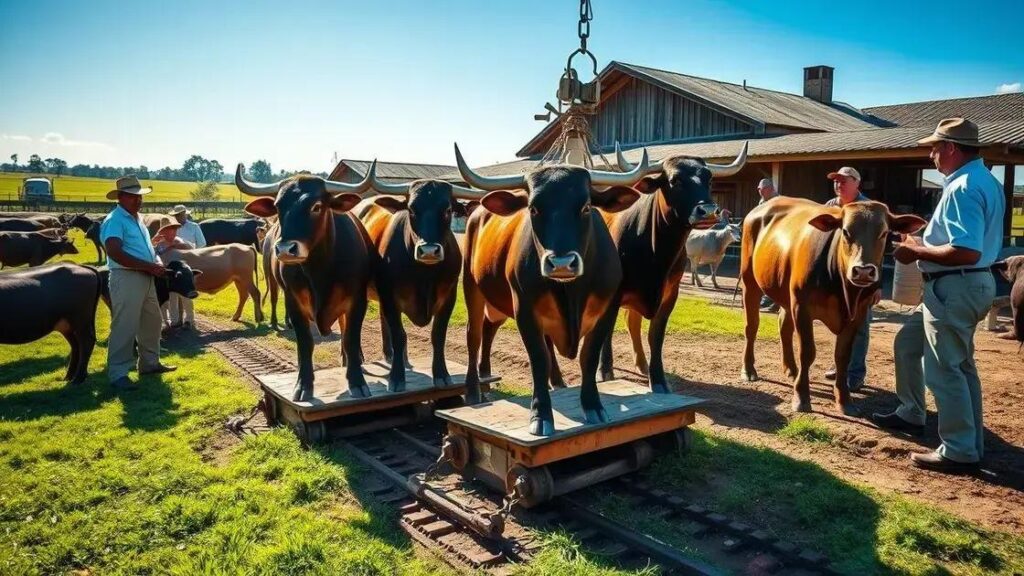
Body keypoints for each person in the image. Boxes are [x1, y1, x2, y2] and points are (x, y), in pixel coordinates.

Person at [873, 118, 1004, 473]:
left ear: (950, 148)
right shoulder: (985, 180)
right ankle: (913, 412)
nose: (931, 154)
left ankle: (960, 449)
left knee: (945, 368)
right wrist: (923, 242)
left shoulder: (962, 186)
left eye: (934, 147)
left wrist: (916, 253)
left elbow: (966, 250)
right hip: (963, 284)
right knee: (910, 345)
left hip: (955, 284)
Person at [100, 175, 176, 391]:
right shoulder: (115, 219)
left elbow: (142, 249)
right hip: (126, 277)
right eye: (133, 197)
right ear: (121, 197)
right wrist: (149, 266)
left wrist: (154, 261)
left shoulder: (137, 219)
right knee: (125, 325)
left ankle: (149, 363)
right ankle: (118, 373)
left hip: (145, 276)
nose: (138, 200)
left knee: (152, 322)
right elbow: (114, 252)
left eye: (139, 197)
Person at [822, 167, 878, 392]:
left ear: (857, 183)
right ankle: (841, 366)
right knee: (839, 324)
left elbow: (876, 251)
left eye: (844, 181)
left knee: (860, 325)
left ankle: (855, 373)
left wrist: (876, 285)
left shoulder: (869, 209)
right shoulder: (829, 207)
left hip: (862, 278)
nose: (839, 184)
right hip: (837, 279)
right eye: (836, 181)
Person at [166, 205, 205, 330]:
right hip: (172, 264)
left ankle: (189, 320)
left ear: (186, 214)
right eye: (177, 215)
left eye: (182, 214)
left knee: (187, 293)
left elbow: (202, 244)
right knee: (172, 294)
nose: (180, 216)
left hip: (187, 264)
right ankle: (175, 321)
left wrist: (193, 254)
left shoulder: (194, 227)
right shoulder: (170, 229)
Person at [757, 178, 781, 311]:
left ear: (770, 189)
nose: (760, 192)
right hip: (763, 240)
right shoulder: (762, 202)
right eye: (759, 189)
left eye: (762, 189)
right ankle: (765, 298)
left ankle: (773, 300)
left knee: (773, 271)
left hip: (776, 241)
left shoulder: (779, 201)